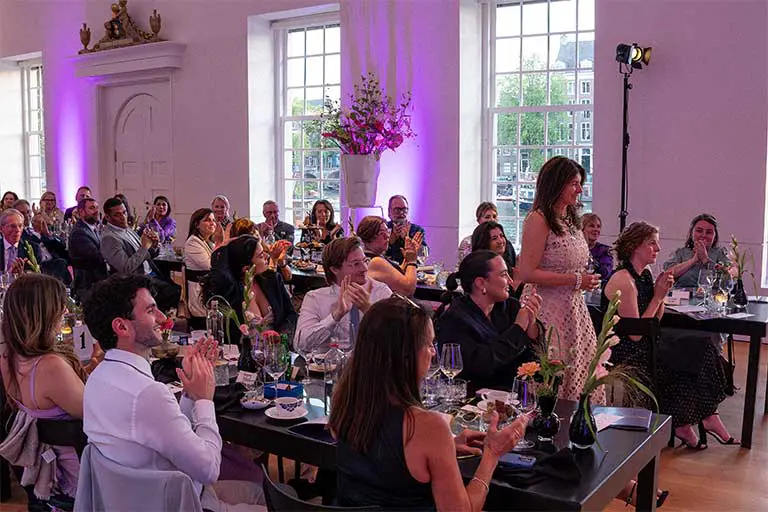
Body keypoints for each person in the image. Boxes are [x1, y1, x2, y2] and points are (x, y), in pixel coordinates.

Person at [330, 296, 531, 510]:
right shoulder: (427, 426)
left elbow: (382, 457)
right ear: (406, 356)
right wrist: (492, 453)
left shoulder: (345, 401)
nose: (434, 352)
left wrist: (443, 450)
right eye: (429, 344)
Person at [82, 274, 264, 510]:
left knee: (258, 491)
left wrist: (189, 393)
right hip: (176, 503)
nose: (162, 318)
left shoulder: (97, 379)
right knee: (269, 497)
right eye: (150, 311)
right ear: (122, 327)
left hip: (134, 501)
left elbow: (167, 432)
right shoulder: (147, 394)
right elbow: (209, 469)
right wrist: (204, 401)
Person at [604, 222, 737, 449]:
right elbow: (635, 335)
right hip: (629, 351)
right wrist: (658, 296)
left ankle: (698, 418)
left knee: (702, 348)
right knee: (685, 360)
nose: (658, 248)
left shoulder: (644, 274)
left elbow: (656, 319)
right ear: (635, 246)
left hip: (648, 340)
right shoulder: (623, 280)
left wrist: (662, 295)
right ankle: (693, 421)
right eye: (652, 243)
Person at [518, 156, 603, 403]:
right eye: (574, 184)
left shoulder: (570, 218)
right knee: (552, 373)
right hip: (547, 307)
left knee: (580, 370)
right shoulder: (538, 218)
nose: (579, 190)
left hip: (574, 308)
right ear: (557, 184)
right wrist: (575, 280)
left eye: (580, 184)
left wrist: (583, 280)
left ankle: (578, 418)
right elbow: (527, 272)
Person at [0, 274, 88, 499]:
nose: (64, 312)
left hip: (47, 468)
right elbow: (95, 413)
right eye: (59, 306)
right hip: (77, 477)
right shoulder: (50, 366)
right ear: (43, 313)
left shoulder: (8, 356)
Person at [434, 250, 541, 393]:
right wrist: (519, 327)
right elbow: (481, 365)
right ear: (480, 283)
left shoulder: (511, 306)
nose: (510, 281)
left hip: (514, 396)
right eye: (503, 274)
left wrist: (532, 327)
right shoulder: (454, 318)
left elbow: (534, 363)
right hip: (472, 399)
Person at [295, 237, 392, 353]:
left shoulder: (380, 291)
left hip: (371, 362)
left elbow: (398, 339)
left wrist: (369, 311)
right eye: (356, 264)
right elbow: (301, 345)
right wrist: (336, 315)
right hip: (329, 362)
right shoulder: (315, 298)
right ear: (335, 269)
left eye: (365, 261)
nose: (365, 268)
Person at [203, 235, 296, 338]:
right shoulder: (231, 292)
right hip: (244, 347)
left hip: (277, 346)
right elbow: (218, 270)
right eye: (261, 255)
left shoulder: (273, 280)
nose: (267, 256)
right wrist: (224, 246)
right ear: (246, 269)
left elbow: (291, 314)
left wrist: (281, 337)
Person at [100, 197, 180, 312]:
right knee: (172, 291)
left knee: (175, 288)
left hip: (149, 272)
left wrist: (154, 245)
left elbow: (144, 254)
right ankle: (159, 319)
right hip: (135, 281)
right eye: (117, 215)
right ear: (107, 217)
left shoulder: (126, 229)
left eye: (124, 212)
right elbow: (126, 268)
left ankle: (163, 318)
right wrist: (145, 247)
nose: (123, 217)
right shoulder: (109, 238)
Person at [356, 215, 421, 296]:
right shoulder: (376, 262)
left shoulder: (369, 257)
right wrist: (412, 261)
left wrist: (408, 256)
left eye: (387, 231)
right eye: (382, 233)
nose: (387, 236)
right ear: (369, 236)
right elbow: (408, 290)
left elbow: (395, 273)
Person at [663, 213, 729, 289]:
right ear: (692, 233)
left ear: (715, 236)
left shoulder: (720, 253)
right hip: (682, 295)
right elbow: (668, 274)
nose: (703, 235)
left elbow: (727, 280)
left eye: (709, 232)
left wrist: (705, 259)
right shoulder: (681, 253)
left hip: (713, 296)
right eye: (699, 231)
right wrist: (694, 260)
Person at [14, 199, 71, 285]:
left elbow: (62, 245)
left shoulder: (35, 228)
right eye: (22, 213)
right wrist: (38, 234)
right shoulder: (18, 232)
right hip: (38, 264)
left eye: (28, 212)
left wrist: (47, 234)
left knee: (63, 260)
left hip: (53, 260)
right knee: (60, 264)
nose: (26, 216)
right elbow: (30, 246)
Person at [68, 197, 109, 302]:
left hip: (97, 280)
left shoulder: (92, 228)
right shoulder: (79, 232)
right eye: (92, 208)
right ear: (81, 212)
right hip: (88, 285)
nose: (96, 211)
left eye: (97, 208)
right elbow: (96, 256)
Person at [184, 208, 217, 318]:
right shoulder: (193, 242)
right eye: (208, 220)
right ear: (197, 225)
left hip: (209, 288)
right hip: (200, 292)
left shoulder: (209, 242)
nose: (212, 223)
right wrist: (222, 243)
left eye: (213, 220)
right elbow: (211, 265)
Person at [470, 221, 517, 286]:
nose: (500, 241)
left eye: (502, 236)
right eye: (494, 238)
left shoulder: (507, 265)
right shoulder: (478, 271)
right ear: (484, 243)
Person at [385, 195, 428, 265]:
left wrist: (408, 240)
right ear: (389, 212)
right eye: (397, 210)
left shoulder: (417, 230)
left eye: (404, 209)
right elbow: (378, 253)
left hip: (411, 267)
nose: (401, 213)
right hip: (387, 267)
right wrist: (390, 241)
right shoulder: (383, 228)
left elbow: (424, 253)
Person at [0, 208, 41, 275]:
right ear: (1, 229)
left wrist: (22, 275)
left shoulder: (33, 249)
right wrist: (8, 273)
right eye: (13, 226)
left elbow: (37, 276)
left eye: (20, 226)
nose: (18, 230)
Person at [582, 213, 613, 281]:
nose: (596, 229)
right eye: (591, 226)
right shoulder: (574, 250)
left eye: (598, 226)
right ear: (582, 229)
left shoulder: (605, 250)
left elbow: (605, 273)